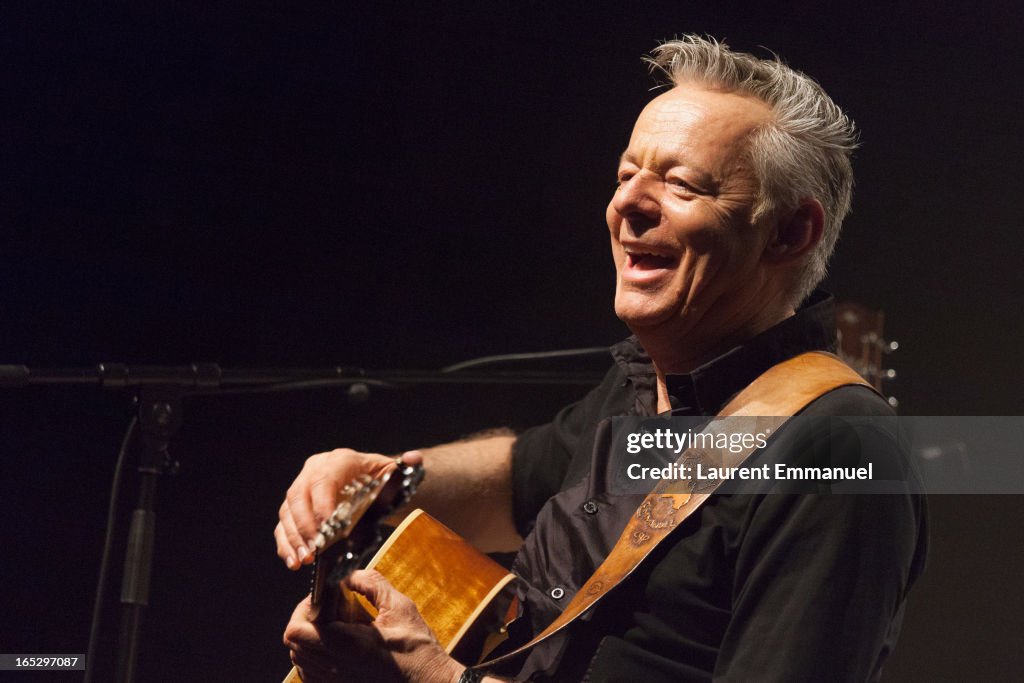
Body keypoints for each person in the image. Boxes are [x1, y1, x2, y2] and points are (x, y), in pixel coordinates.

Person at [277, 35, 927, 682]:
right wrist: (382, 482)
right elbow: (518, 475)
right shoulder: (647, 377)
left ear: (790, 232)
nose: (627, 205)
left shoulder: (838, 449)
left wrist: (435, 679)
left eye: (680, 183)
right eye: (625, 175)